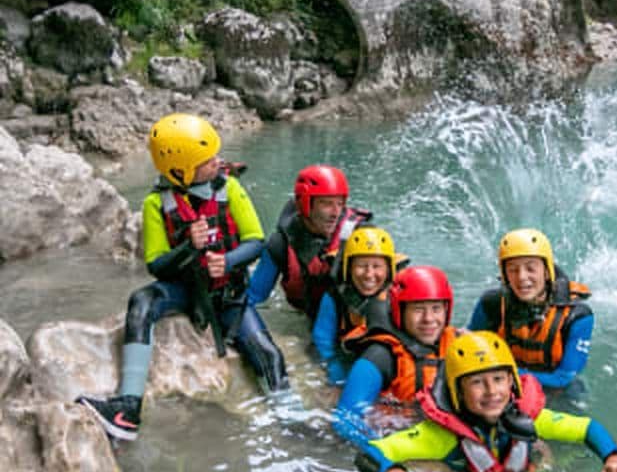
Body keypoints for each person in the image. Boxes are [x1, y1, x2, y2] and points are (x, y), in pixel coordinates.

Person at [77, 113, 288, 441]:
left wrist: (227, 261)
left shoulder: (229, 188)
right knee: (142, 301)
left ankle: (290, 420)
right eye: (206, 160)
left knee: (269, 355)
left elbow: (256, 242)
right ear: (181, 170)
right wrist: (189, 246)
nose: (217, 161)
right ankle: (127, 409)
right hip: (185, 291)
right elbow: (157, 266)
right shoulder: (154, 204)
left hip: (226, 295)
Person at [354, 331, 617, 472]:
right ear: (457, 391)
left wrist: (613, 456)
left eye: (499, 379)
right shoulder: (440, 436)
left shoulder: (530, 418)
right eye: (477, 382)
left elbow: (587, 428)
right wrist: (391, 471)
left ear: (512, 382)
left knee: (544, 453)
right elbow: (371, 451)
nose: (492, 392)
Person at [333, 265, 459, 444]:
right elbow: (345, 422)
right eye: (418, 309)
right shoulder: (380, 357)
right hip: (394, 435)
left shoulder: (458, 344)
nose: (429, 319)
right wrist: (386, 465)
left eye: (436, 309)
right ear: (400, 311)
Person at [468, 229, 593, 389]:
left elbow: (564, 378)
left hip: (556, 390)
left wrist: (505, 374)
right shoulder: (491, 303)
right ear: (504, 275)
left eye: (531, 268)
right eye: (513, 269)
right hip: (500, 386)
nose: (521, 277)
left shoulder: (577, 316)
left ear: (547, 272)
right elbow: (469, 351)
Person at [246, 165, 371, 320]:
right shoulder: (281, 243)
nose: (335, 213)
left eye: (340, 203)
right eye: (326, 204)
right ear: (305, 204)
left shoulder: (362, 235)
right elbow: (252, 297)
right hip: (309, 310)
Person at [311, 225, 404, 385]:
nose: (369, 275)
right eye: (361, 266)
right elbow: (323, 341)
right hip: (347, 355)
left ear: (389, 270)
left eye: (377, 266)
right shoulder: (334, 297)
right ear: (349, 268)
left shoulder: (400, 297)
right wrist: (337, 377)